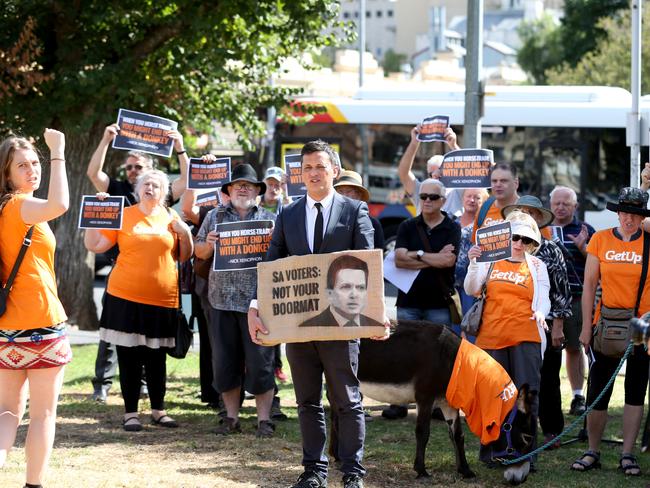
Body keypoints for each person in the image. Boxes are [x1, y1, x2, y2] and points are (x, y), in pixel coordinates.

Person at [248, 140, 381, 488]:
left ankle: (353, 473)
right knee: (307, 401)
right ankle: (314, 471)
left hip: (341, 324)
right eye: (307, 168)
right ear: (300, 174)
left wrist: (377, 315)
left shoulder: (354, 211)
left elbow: (367, 266)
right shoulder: (287, 214)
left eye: (320, 166)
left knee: (347, 400)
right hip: (299, 326)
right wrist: (254, 305)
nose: (313, 173)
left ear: (334, 171)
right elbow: (271, 264)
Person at [86, 123, 189, 402]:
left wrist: (180, 147)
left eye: (138, 167)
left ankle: (145, 387)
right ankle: (102, 384)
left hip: (155, 284)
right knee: (113, 337)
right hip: (120, 273)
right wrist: (106, 139)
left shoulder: (162, 196)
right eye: (129, 167)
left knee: (148, 341)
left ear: (151, 171)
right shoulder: (117, 189)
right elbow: (93, 173)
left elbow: (186, 180)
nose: (132, 171)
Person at [0, 129, 72, 488]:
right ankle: (34, 485)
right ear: (7, 175)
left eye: (35, 163)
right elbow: (60, 205)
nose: (32, 170)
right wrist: (57, 152)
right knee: (43, 415)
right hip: (42, 323)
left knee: (7, 412)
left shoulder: (7, 208)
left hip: (8, 327)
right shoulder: (19, 206)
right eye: (22, 166)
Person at [195, 164, 278, 438]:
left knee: (261, 363)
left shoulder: (270, 219)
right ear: (228, 191)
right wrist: (209, 243)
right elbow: (199, 252)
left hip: (258, 303)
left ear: (257, 191)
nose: (243, 188)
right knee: (225, 362)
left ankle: (264, 420)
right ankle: (231, 418)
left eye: (249, 185)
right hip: (221, 300)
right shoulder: (214, 217)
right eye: (237, 184)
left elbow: (280, 258)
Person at [571, 187, 650, 477]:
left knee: (635, 391)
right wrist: (585, 328)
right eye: (625, 213)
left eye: (636, 214)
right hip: (606, 322)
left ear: (643, 217)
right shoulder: (600, 240)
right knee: (598, 391)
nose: (629, 219)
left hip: (643, 324)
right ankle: (592, 450)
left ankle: (627, 454)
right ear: (617, 213)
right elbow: (589, 287)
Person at [465, 210, 550, 464]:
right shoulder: (490, 259)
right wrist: (473, 262)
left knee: (527, 398)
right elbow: (472, 289)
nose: (518, 243)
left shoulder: (537, 266)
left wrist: (541, 313)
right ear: (506, 237)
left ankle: (527, 455)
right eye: (514, 237)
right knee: (493, 398)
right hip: (490, 339)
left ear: (532, 243)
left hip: (526, 338)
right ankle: (492, 453)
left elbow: (544, 298)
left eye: (525, 240)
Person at [382, 178, 460, 420]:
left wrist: (416, 255)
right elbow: (398, 260)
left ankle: (437, 404)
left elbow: (449, 261)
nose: (426, 200)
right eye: (423, 196)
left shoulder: (452, 227)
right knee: (402, 352)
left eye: (432, 197)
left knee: (438, 355)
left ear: (443, 201)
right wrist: (431, 257)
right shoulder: (407, 225)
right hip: (409, 301)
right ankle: (399, 403)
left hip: (439, 302)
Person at [502, 196, 572, 449]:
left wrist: (558, 327)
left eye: (531, 213)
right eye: (521, 212)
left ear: (540, 219)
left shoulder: (551, 249)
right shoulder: (502, 248)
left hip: (545, 323)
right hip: (506, 325)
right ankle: (509, 427)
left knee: (549, 378)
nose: (526, 216)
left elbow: (562, 292)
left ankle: (552, 429)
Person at [549, 185, 595, 415]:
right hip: (546, 301)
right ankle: (546, 397)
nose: (560, 207)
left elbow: (599, 266)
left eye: (565, 203)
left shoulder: (586, 229)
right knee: (548, 352)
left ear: (575, 206)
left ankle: (578, 396)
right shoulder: (541, 229)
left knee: (574, 348)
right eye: (556, 203)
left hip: (576, 299)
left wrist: (583, 248)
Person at [259, 166, 291, 384]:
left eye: (278, 184)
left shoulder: (285, 207)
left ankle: (276, 366)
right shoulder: (255, 206)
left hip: (279, 269)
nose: (274, 187)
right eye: (270, 183)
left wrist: (288, 191)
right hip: (257, 267)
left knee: (277, 319)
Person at [299, 255, 384, 328]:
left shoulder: (375, 326)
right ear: (330, 294)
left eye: (360, 288)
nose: (354, 295)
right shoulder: (308, 327)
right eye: (346, 287)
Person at [397, 124, 462, 216]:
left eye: (440, 173)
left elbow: (470, 173)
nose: (435, 176)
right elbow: (403, 173)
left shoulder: (457, 191)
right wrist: (414, 143)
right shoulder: (421, 191)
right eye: (431, 174)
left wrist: (454, 146)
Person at [455, 188, 489, 315]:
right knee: (452, 329)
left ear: (484, 202)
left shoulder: (486, 225)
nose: (472, 200)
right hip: (450, 283)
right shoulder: (451, 221)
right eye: (468, 196)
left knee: (470, 323)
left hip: (474, 283)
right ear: (462, 198)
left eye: (477, 197)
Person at [334, 169, 385, 250]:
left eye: (348, 191)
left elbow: (378, 253)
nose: (343, 195)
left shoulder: (372, 223)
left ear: (359, 195)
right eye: (340, 191)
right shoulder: (329, 219)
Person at [471, 162, 520, 243]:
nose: (498, 185)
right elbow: (475, 244)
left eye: (504, 181)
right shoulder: (484, 209)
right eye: (494, 181)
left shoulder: (529, 210)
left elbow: (545, 249)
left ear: (516, 183)